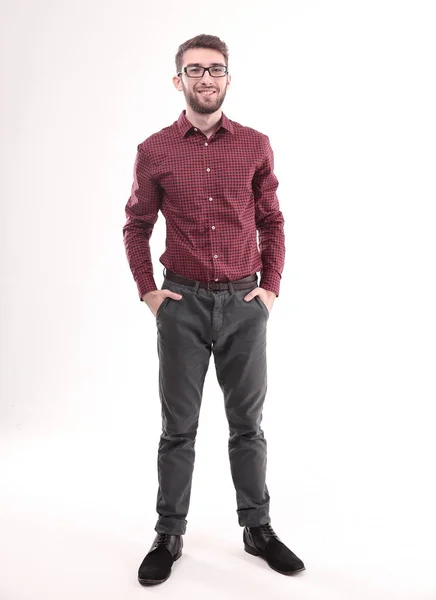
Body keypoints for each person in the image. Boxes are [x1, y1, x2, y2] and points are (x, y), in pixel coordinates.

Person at [122, 33, 305, 585]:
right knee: (178, 428)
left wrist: (269, 290)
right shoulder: (155, 149)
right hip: (181, 304)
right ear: (179, 81)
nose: (207, 78)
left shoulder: (255, 144)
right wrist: (149, 292)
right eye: (195, 70)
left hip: (244, 304)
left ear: (228, 78)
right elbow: (136, 225)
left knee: (247, 426)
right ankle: (168, 532)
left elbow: (272, 221)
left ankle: (258, 529)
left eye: (216, 69)